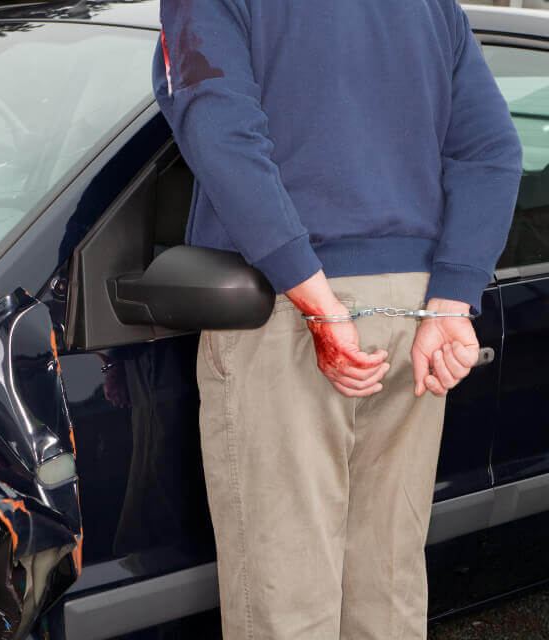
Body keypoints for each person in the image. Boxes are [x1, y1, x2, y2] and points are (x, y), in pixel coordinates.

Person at [152, 1, 523, 638]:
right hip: (412, 313)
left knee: (286, 593)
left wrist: (318, 304)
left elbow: (220, 130)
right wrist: (450, 302)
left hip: (287, 308)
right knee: (387, 582)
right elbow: (490, 150)